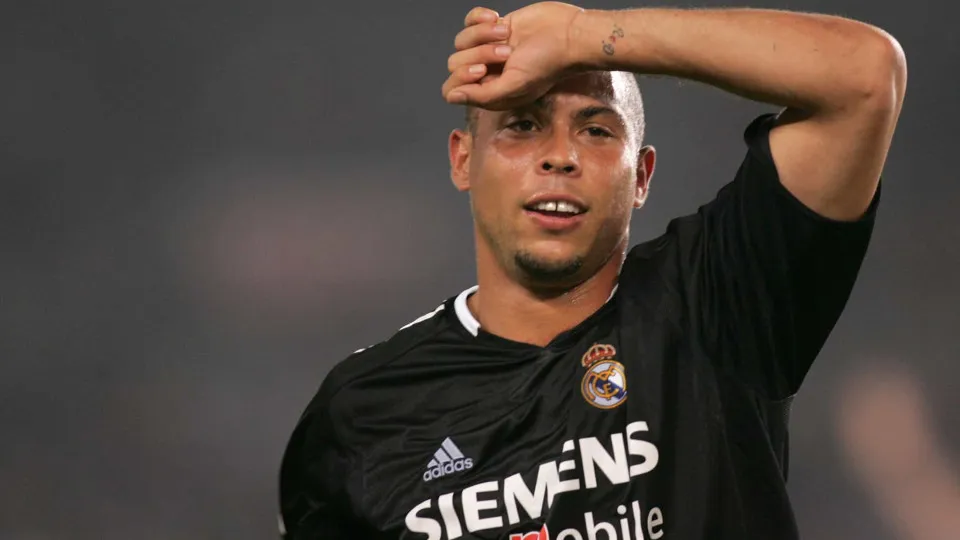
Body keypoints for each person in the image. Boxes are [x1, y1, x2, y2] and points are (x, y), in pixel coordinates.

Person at [278, 3, 906, 538]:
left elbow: (864, 73)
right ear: (463, 160)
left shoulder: (716, 300)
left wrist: (585, 34)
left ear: (642, 176)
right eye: (523, 125)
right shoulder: (360, 412)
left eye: (597, 130)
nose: (560, 156)